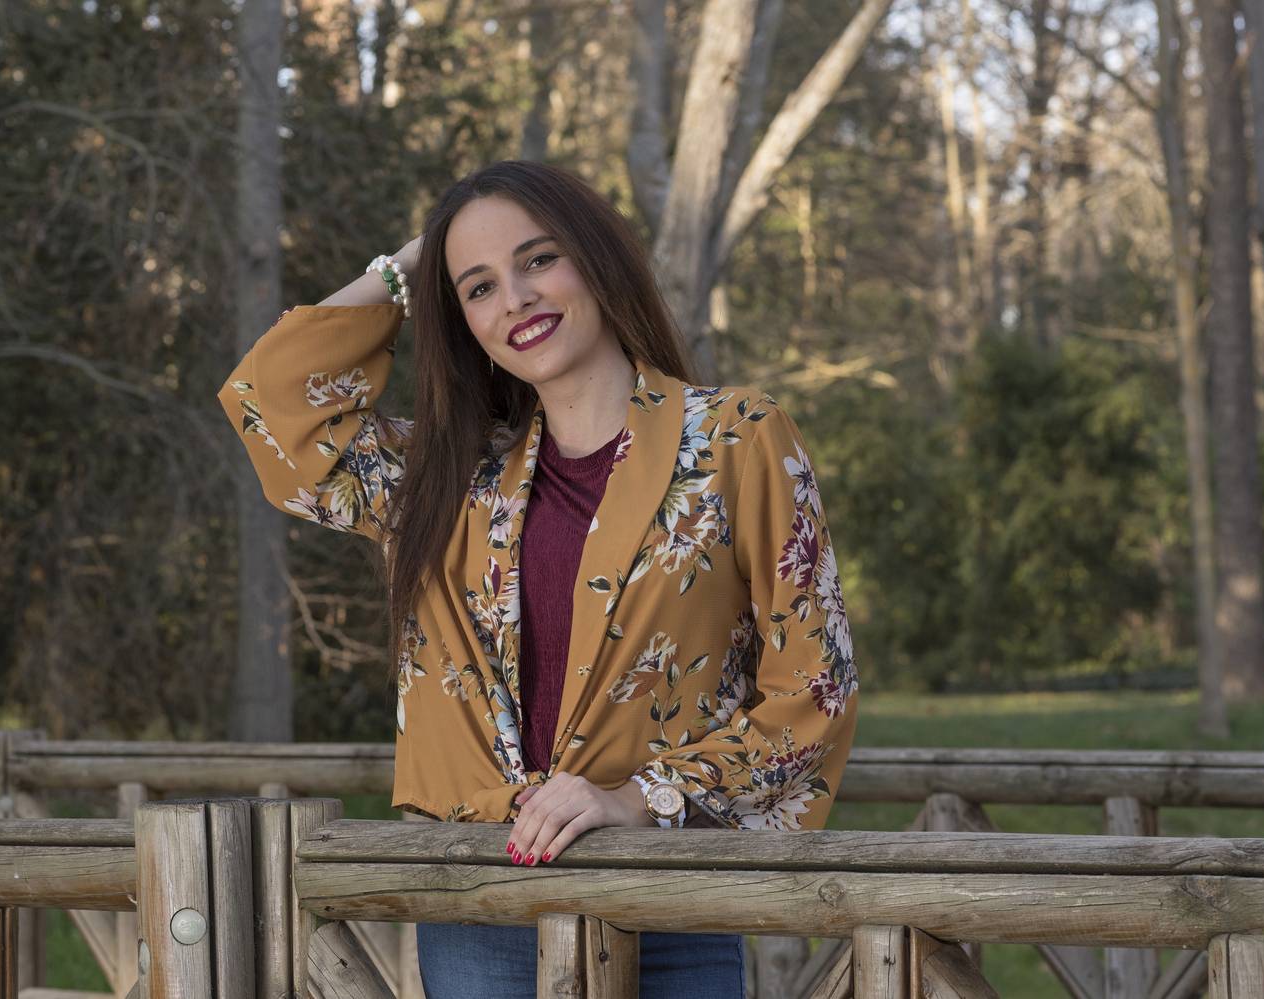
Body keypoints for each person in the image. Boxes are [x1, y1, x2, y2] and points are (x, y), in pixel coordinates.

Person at [217, 160, 860, 998]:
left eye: (538, 259)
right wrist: (412, 265)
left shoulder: (738, 439)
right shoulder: (451, 476)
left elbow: (814, 688)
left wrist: (639, 797)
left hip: (670, 889)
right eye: (479, 288)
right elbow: (271, 399)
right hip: (482, 896)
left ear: (594, 257)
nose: (516, 299)